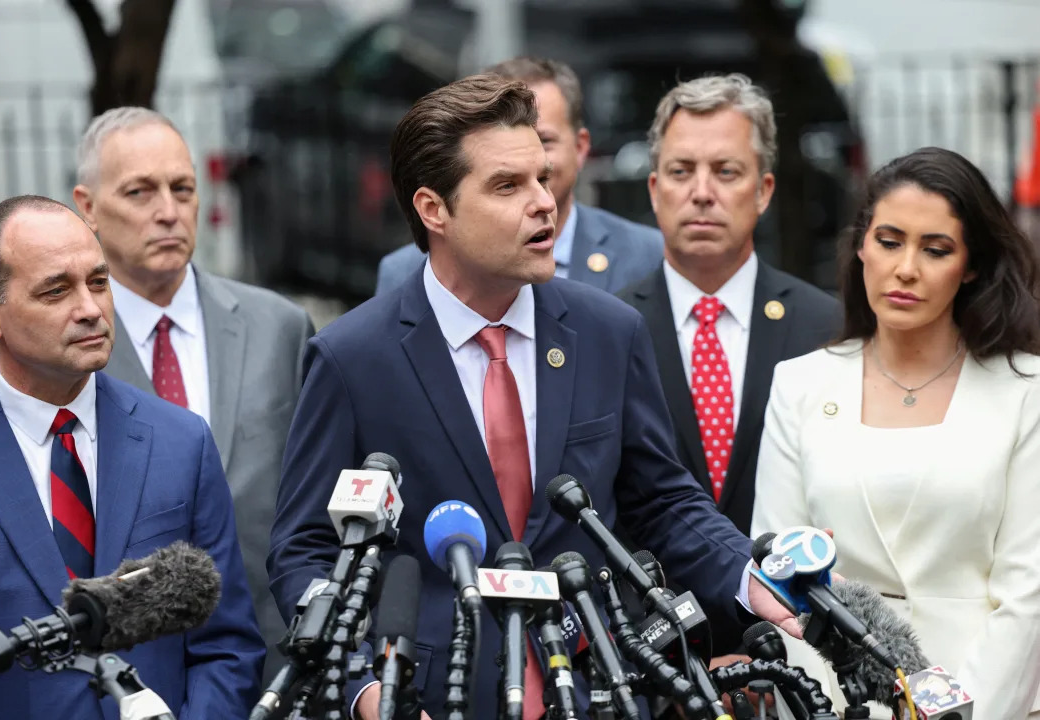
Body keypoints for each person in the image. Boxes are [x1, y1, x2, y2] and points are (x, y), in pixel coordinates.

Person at [269, 74, 800, 720]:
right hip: (433, 696)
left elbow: (663, 500)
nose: (543, 203)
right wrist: (364, 689)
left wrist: (750, 577)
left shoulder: (606, 332)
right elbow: (305, 549)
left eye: (542, 178)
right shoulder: (353, 359)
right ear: (433, 209)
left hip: (598, 685)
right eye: (506, 186)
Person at [752, 147, 1040, 718]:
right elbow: (778, 581)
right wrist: (822, 709)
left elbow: (1028, 593)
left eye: (935, 250)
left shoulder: (1025, 391)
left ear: (972, 264)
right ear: (861, 245)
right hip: (835, 700)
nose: (906, 268)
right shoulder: (799, 385)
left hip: (989, 699)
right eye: (889, 241)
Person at [0, 195, 264, 719]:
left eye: (99, 283)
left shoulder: (181, 442)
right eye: (56, 291)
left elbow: (226, 646)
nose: (90, 308)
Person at [70, 107, 314, 681]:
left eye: (183, 189)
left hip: (278, 661)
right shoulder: (63, 356)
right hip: (125, 671)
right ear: (88, 207)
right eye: (139, 191)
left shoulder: (280, 327)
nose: (168, 211)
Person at [618, 74, 840, 539]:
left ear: (763, 190)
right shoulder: (609, 330)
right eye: (682, 172)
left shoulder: (827, 330)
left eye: (726, 171)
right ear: (655, 190)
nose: (702, 192)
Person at [374, 56, 662, 296]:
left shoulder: (649, 256)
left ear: (581, 147)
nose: (526, 154)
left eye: (544, 140)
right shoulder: (405, 273)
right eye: (507, 183)